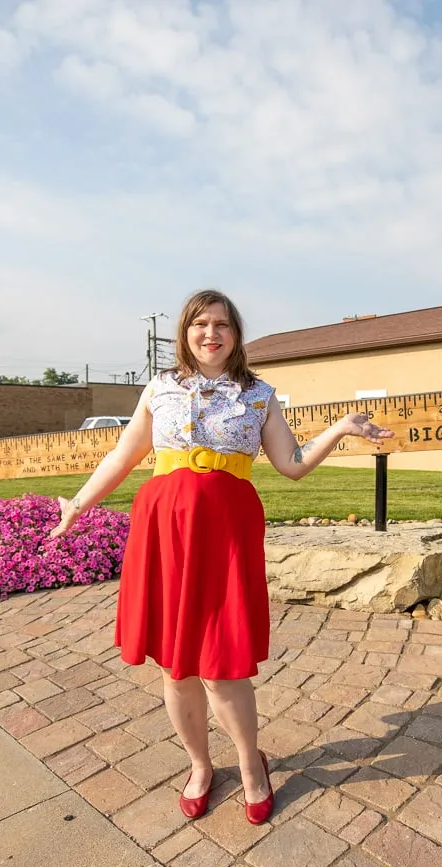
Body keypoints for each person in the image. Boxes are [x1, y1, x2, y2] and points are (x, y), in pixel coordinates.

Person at [50, 289, 393, 824]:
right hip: (165, 530)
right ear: (185, 333)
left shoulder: (259, 395)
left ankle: (252, 768)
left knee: (222, 668)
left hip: (226, 532)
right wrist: (77, 505)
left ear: (236, 335)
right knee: (176, 666)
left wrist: (343, 427)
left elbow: (293, 464)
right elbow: (123, 454)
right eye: (200, 324)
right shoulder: (159, 389)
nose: (211, 334)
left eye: (222, 325)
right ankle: (199, 766)